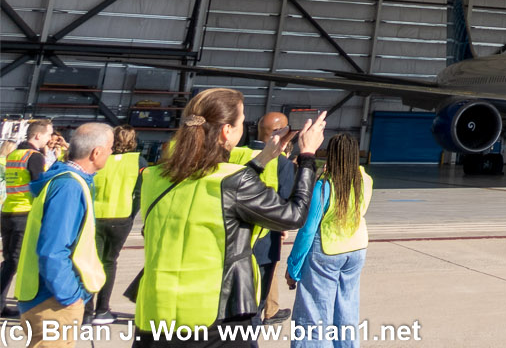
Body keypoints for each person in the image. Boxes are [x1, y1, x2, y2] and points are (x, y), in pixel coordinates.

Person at [137, 88, 324, 344]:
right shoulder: (233, 182)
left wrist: (261, 160)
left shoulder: (152, 178)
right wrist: (307, 156)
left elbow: (211, 191)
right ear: (227, 131)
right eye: (241, 120)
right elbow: (294, 215)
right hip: (215, 317)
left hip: (154, 314)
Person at [16, 122, 113, 344]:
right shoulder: (69, 187)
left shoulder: (66, 180)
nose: (110, 153)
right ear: (96, 152)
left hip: (46, 296)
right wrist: (70, 296)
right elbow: (53, 250)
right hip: (52, 301)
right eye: (110, 148)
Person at [286, 133, 372, 341]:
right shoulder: (365, 180)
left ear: (331, 155)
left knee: (313, 314)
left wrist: (293, 267)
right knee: (347, 309)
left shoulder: (324, 186)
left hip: (326, 250)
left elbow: (308, 230)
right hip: (357, 249)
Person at [236, 113, 297, 322]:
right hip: (263, 246)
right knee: (254, 307)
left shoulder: (233, 154)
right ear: (280, 132)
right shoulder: (282, 164)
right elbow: (289, 209)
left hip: (228, 242)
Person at [2, 122, 58, 317]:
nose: (50, 139)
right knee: (14, 261)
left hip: (9, 209)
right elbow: (40, 183)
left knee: (9, 259)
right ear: (37, 136)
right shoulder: (34, 156)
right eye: (48, 135)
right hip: (24, 212)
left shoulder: (14, 154)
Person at [88, 125, 142, 325]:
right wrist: (130, 216)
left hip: (95, 216)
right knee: (110, 263)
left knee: (91, 263)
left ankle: (86, 311)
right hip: (121, 217)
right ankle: (102, 310)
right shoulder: (138, 161)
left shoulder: (99, 158)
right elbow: (139, 193)